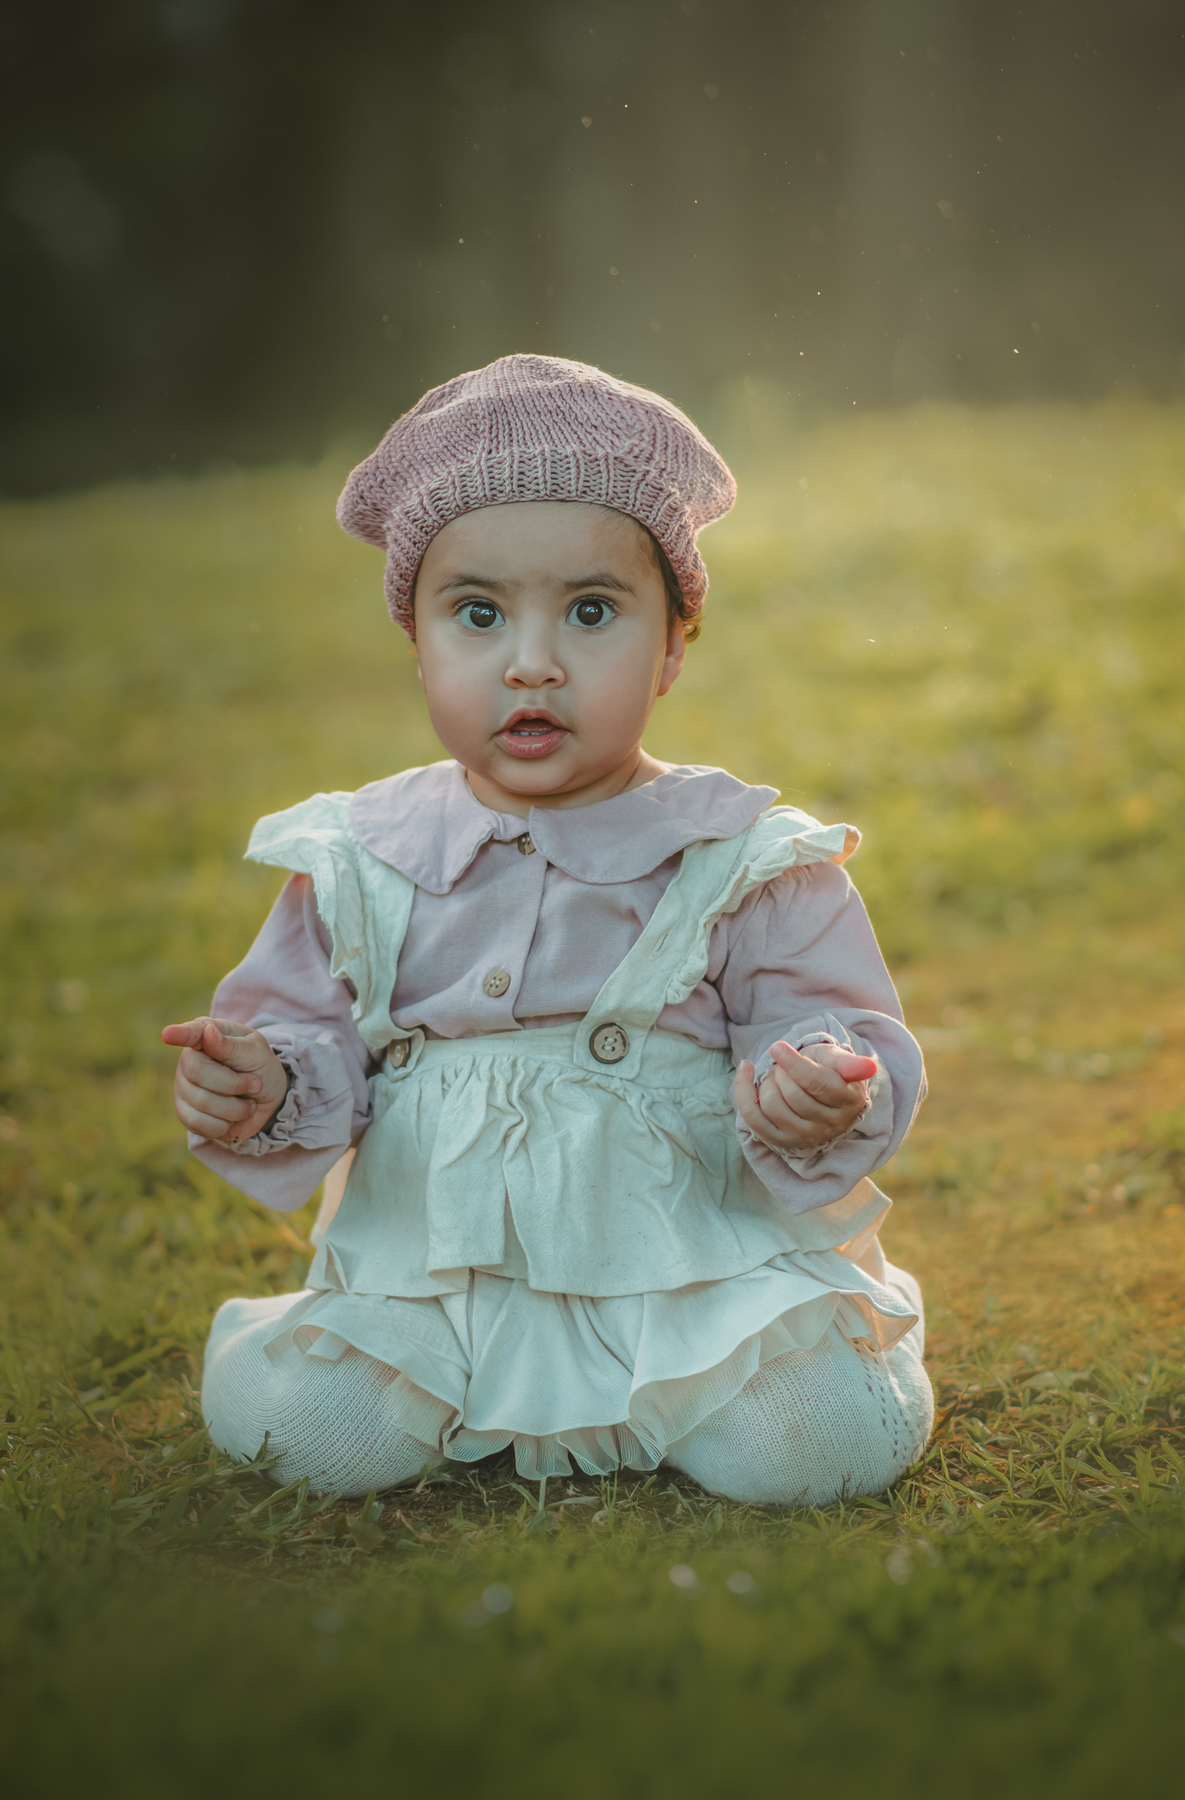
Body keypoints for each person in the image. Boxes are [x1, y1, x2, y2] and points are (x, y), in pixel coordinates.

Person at [161, 354, 933, 1506]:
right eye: (478, 615)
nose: (532, 660)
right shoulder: (362, 861)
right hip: (437, 1282)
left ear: (674, 643)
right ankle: (378, 1371)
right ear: (417, 643)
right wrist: (262, 1076)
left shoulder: (739, 859)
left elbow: (830, 1018)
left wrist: (815, 1076)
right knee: (308, 1440)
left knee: (814, 1449)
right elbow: (310, 1037)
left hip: (693, 1273)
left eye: (590, 611)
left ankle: (805, 1366)